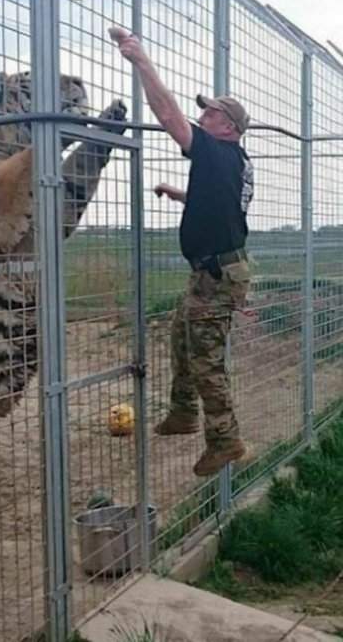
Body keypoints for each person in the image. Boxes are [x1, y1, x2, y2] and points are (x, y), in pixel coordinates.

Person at [109, 26, 254, 476]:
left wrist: (141, 60)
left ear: (226, 126)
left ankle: (226, 441)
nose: (202, 119)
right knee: (180, 335)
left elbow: (168, 114)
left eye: (209, 114)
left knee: (206, 361)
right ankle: (183, 413)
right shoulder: (233, 162)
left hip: (216, 275)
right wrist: (179, 194)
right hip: (216, 271)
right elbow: (219, 206)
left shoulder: (216, 151)